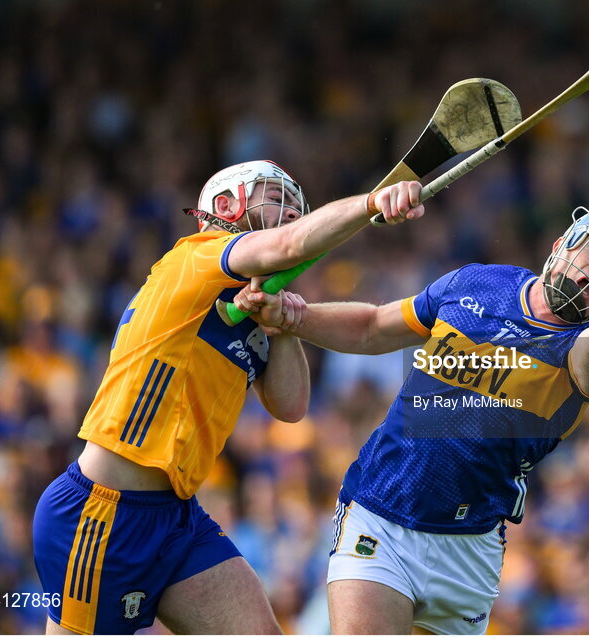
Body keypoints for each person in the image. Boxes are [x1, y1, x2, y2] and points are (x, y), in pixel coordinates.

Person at [31, 159, 425, 635]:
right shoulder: (196, 257)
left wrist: (281, 327)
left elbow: (290, 406)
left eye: (295, 209)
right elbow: (288, 244)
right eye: (277, 200)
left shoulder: (244, 305)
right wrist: (369, 204)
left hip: (177, 520)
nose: (291, 216)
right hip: (102, 515)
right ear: (225, 206)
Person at [235, 205, 589, 634]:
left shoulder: (583, 352)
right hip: (381, 512)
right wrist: (294, 316)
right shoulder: (479, 282)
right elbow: (373, 327)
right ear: (560, 247)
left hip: (469, 549)